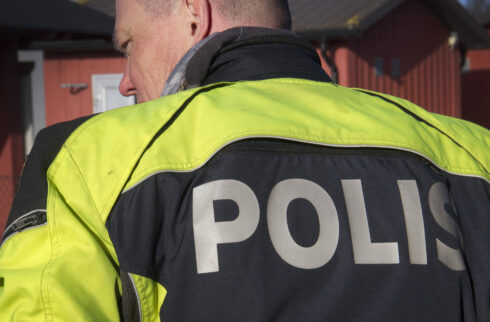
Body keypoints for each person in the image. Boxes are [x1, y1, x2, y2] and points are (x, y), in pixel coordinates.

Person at [0, 0, 489, 320]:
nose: (125, 80)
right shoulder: (470, 155)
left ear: (195, 13)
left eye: (129, 45)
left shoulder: (84, 162)